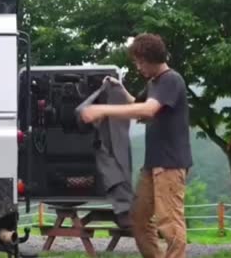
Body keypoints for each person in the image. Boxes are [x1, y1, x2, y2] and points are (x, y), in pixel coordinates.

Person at [80, 33, 193, 258]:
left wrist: (103, 110)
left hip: (170, 165)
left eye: (139, 61)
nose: (138, 66)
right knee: (138, 218)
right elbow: (137, 104)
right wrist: (118, 88)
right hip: (153, 165)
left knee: (169, 223)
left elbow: (147, 110)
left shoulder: (171, 79)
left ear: (149, 58)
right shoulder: (154, 83)